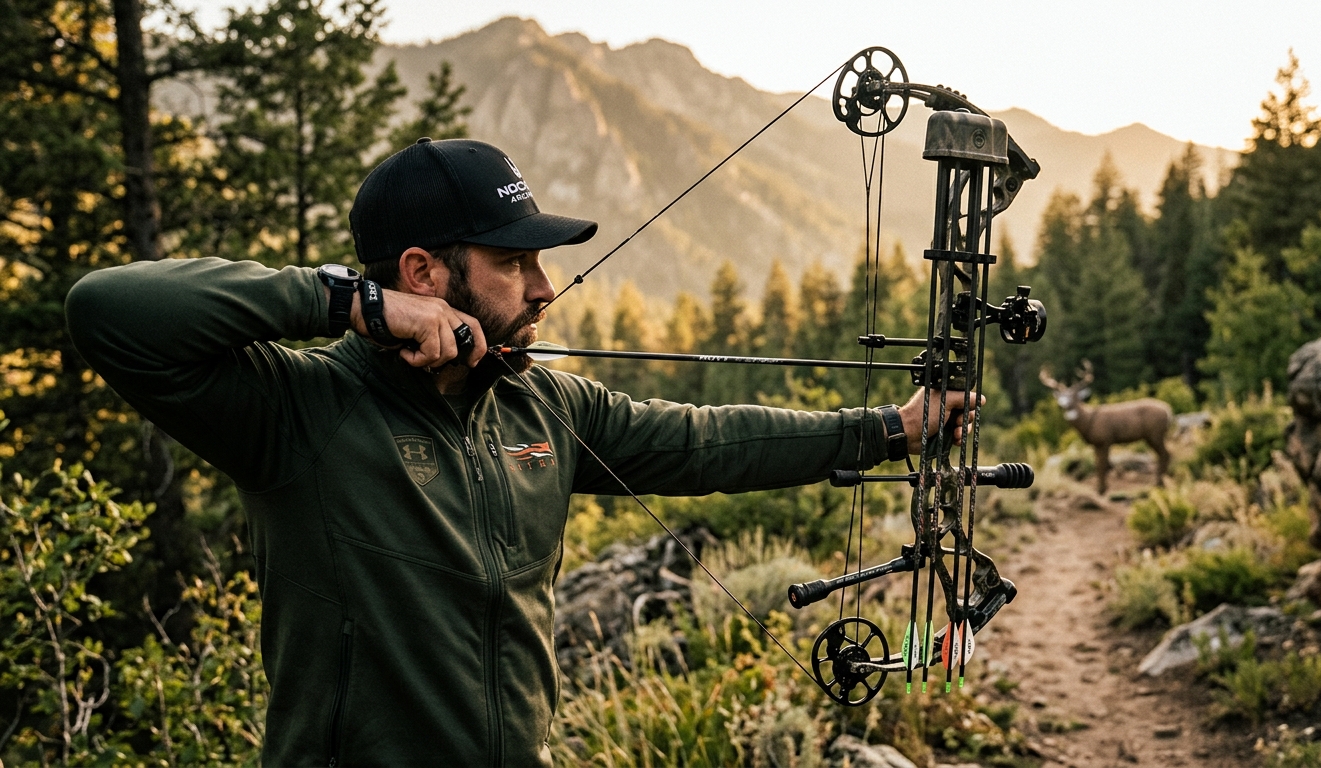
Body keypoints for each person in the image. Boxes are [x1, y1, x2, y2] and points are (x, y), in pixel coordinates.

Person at [66, 138, 977, 767]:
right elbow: (109, 310)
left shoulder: (542, 402)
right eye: (514, 265)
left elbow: (704, 443)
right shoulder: (297, 410)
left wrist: (889, 430)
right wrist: (355, 305)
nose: (546, 289)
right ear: (425, 275)